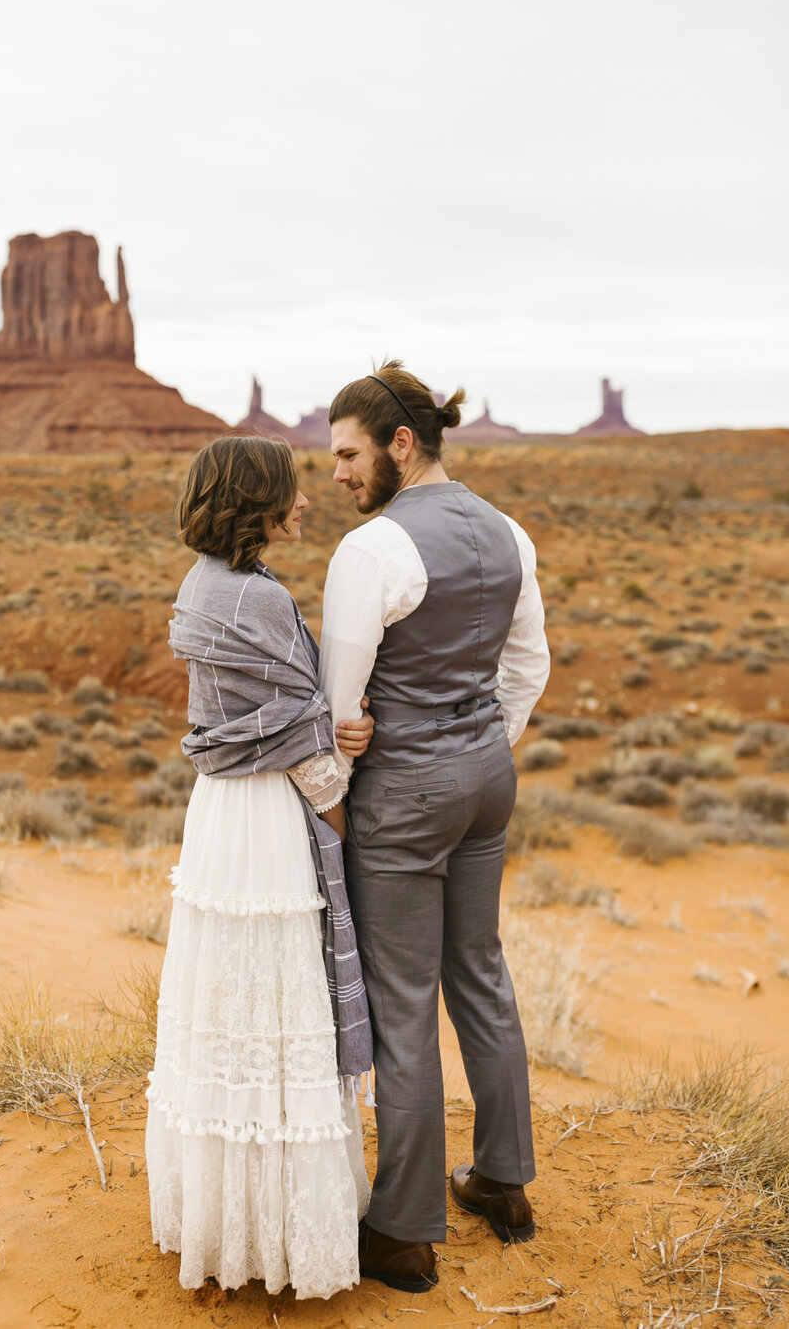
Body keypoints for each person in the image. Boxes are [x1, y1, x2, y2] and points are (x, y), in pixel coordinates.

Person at [318, 360, 551, 1294]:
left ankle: (405, 1234)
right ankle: (501, 1182)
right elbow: (527, 667)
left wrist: (337, 805)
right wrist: (478, 747)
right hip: (489, 777)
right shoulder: (510, 532)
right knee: (480, 973)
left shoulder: (371, 551)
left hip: (407, 794)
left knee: (403, 1002)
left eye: (345, 452)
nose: (334, 473)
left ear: (399, 445)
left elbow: (340, 702)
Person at [146, 435, 374, 1300]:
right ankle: (284, 1244)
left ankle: (224, 1223)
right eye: (290, 489)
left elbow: (274, 712)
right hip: (270, 818)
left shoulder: (203, 582)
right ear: (255, 502)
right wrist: (346, 818)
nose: (307, 500)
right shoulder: (257, 598)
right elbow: (300, 744)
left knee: (230, 1004)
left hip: (219, 816)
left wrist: (320, 726)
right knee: (280, 1005)